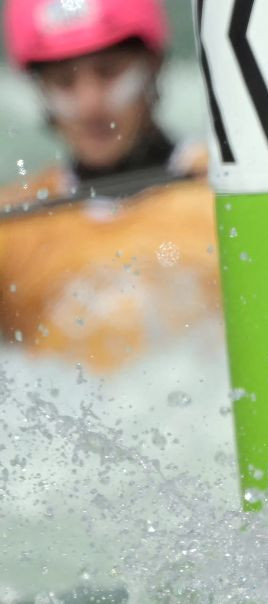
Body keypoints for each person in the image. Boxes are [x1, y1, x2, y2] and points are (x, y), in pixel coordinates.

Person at [0, 0, 219, 371]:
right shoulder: (12, 226)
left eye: (109, 73)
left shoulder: (226, 193)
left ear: (154, 66)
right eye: (64, 82)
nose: (90, 106)